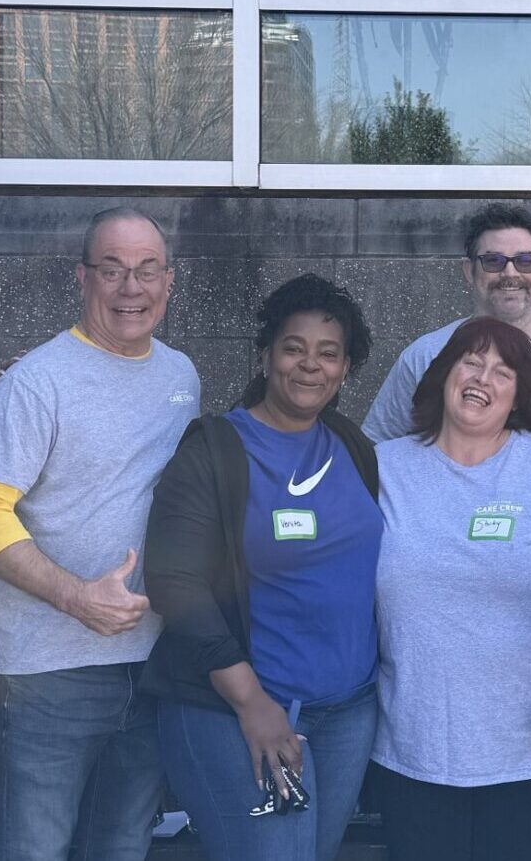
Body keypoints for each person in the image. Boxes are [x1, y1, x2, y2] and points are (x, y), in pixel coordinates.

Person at [0, 207, 202, 861]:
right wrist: (76, 596)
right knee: (36, 849)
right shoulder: (37, 381)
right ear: (82, 278)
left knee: (121, 846)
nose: (131, 287)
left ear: (169, 282)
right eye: (112, 269)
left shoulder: (182, 377)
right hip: (54, 673)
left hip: (152, 666)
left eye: (147, 270)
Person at [143, 274, 382, 861]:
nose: (310, 366)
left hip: (347, 713)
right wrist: (253, 703)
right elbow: (176, 584)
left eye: (329, 354)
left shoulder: (352, 445)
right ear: (266, 354)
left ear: (346, 368)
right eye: (294, 348)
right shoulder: (215, 448)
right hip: (240, 709)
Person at [369, 316, 531, 861]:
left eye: (503, 372)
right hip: (414, 737)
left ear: (520, 394)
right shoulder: (384, 468)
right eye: (471, 362)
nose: (483, 378)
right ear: (443, 375)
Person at [361, 202, 531, 463]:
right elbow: (373, 457)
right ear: (469, 270)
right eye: (493, 261)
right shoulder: (424, 356)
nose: (509, 273)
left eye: (525, 261)